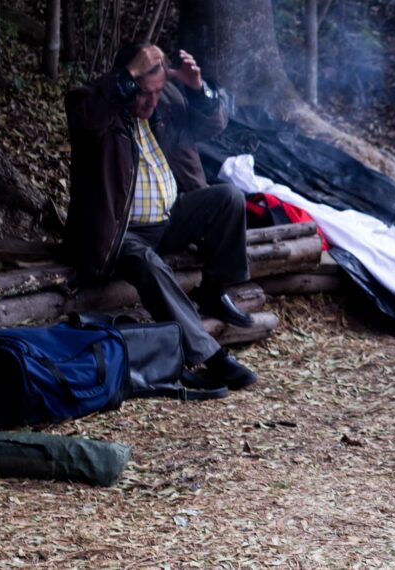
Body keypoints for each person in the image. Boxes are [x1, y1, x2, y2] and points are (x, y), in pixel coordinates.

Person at [63, 43, 257, 390]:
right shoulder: (96, 107)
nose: (151, 102)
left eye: (156, 92)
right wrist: (129, 75)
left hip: (167, 220)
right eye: (143, 93)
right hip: (118, 234)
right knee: (149, 264)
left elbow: (212, 125)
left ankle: (213, 289)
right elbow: (85, 119)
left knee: (228, 197)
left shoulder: (163, 103)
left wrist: (197, 89)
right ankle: (212, 357)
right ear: (127, 81)